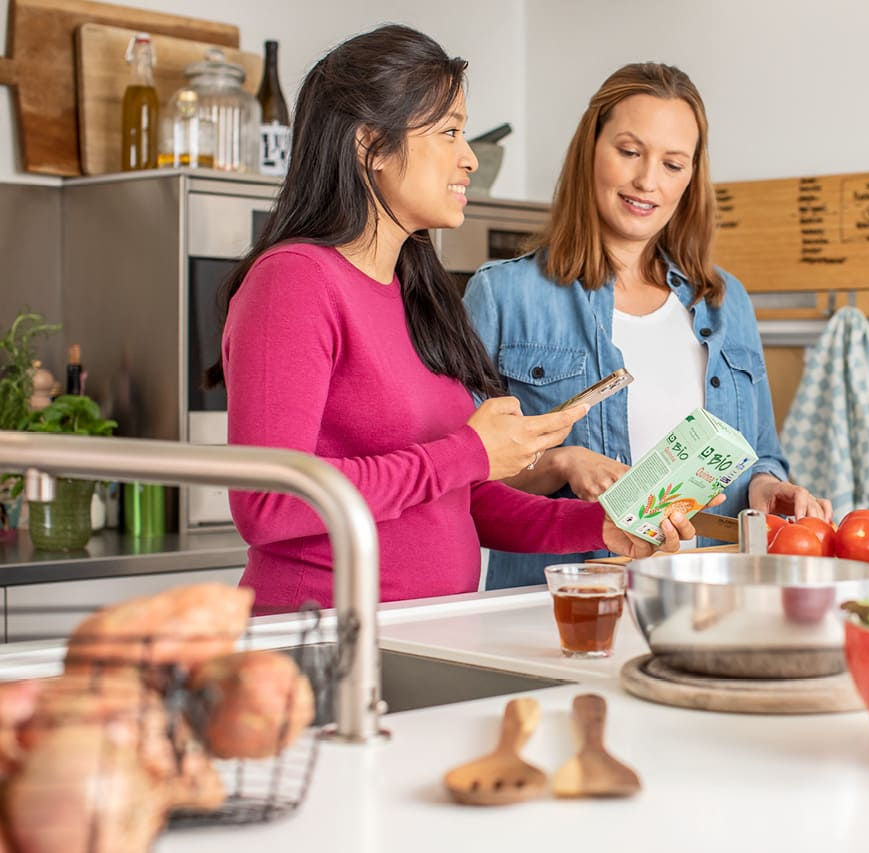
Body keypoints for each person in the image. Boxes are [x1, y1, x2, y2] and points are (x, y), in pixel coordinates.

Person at [206, 26, 699, 613]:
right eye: (448, 132)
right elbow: (269, 507)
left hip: (427, 634)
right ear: (372, 146)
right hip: (323, 642)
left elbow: (461, 502)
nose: (468, 158)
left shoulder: (417, 293)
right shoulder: (295, 279)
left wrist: (600, 527)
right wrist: (469, 450)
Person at [465, 62, 832, 590]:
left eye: (673, 163)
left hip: (709, 601)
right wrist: (562, 462)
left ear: (691, 176)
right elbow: (466, 476)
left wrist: (766, 487)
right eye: (630, 151)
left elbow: (758, 454)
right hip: (561, 606)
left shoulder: (725, 302)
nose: (647, 181)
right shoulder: (503, 295)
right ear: (590, 149)